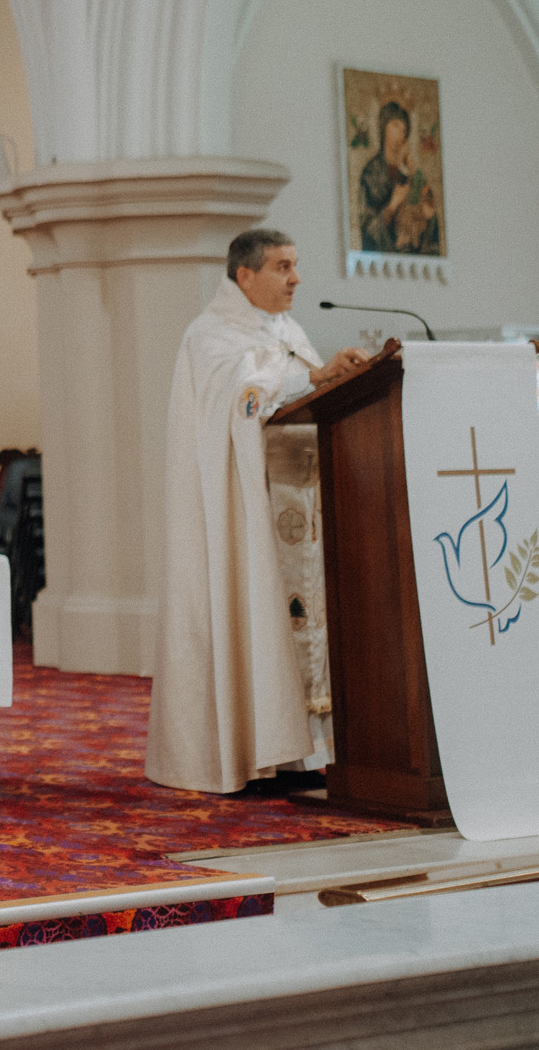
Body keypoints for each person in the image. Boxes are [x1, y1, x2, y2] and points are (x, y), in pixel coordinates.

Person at [146, 229, 375, 795]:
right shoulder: (210, 336)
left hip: (302, 503)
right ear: (244, 276)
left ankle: (307, 752)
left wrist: (342, 380)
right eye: (282, 266)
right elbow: (243, 400)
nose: (296, 278)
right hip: (245, 513)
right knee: (255, 610)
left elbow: (304, 395)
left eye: (296, 265)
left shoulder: (287, 331)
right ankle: (256, 750)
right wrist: (310, 378)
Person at [358, 100, 439, 254]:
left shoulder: (409, 172)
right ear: (383, 128)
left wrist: (427, 212)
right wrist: (392, 206)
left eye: (403, 129)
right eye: (395, 125)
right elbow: (366, 228)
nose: (400, 133)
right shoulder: (372, 172)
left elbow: (429, 208)